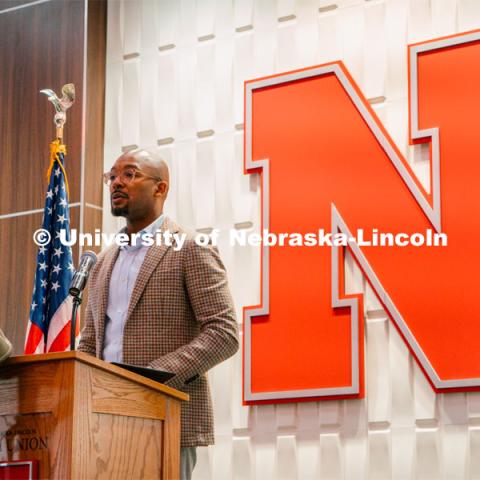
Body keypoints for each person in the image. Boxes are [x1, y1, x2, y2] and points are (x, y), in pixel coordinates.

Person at [78, 148, 239, 480]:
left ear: (161, 188)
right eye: (112, 176)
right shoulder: (102, 262)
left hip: (166, 414)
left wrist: (151, 378)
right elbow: (90, 343)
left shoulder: (191, 248)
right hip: (101, 422)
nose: (116, 183)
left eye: (130, 174)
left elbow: (223, 333)